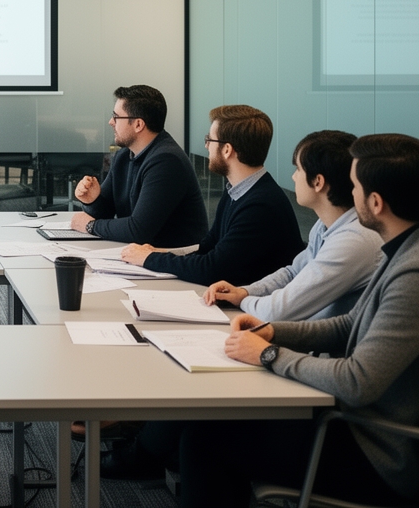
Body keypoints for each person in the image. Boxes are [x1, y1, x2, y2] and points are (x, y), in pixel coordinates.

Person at [151, 133, 419, 508]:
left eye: (355, 185)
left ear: (375, 202)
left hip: (376, 451)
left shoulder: (411, 273)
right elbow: (347, 325)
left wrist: (269, 354)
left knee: (204, 442)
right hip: (349, 419)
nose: (349, 193)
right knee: (211, 428)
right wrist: (271, 331)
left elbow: (358, 382)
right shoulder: (399, 249)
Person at [204, 130, 383, 321]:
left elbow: (278, 311)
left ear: (318, 181)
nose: (293, 177)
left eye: (298, 169)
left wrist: (242, 301)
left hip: (335, 348)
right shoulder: (325, 224)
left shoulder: (353, 241)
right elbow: (293, 272)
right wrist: (244, 292)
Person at [121, 105, 304, 285]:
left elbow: (211, 269)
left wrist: (150, 259)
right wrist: (158, 253)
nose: (207, 146)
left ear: (227, 150)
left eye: (210, 140)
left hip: (254, 310)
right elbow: (208, 247)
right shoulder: (236, 190)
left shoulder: (261, 205)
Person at [69, 85, 207, 247]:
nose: (111, 122)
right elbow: (105, 212)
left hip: (174, 259)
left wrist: (89, 226)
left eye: (116, 117)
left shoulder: (167, 161)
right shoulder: (123, 156)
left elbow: (139, 230)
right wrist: (91, 200)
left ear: (138, 125)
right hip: (142, 253)